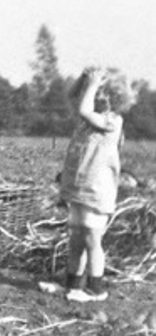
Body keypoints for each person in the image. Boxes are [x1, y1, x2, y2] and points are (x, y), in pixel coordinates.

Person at [59, 67, 134, 302]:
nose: (94, 95)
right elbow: (77, 102)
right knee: (76, 239)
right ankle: (74, 285)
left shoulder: (112, 121)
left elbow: (84, 109)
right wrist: (84, 79)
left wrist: (92, 84)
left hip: (97, 191)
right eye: (93, 91)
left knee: (92, 239)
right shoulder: (85, 123)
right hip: (80, 188)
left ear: (114, 98)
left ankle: (96, 289)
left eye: (101, 92)